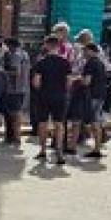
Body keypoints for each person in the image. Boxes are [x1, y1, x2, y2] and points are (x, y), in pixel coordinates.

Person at [29, 34, 70, 165]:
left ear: (46, 45)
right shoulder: (65, 62)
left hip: (44, 95)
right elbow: (68, 82)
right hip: (60, 96)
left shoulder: (41, 62)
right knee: (59, 124)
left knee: (43, 123)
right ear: (59, 46)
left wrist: (41, 88)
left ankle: (42, 150)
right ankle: (59, 151)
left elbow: (36, 82)